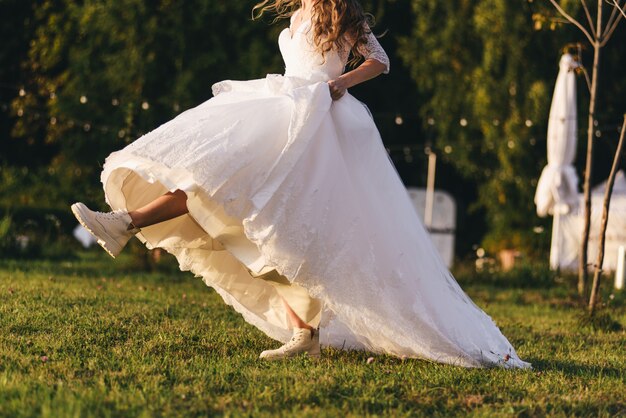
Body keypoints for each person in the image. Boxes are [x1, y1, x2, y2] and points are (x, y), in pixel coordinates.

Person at [72, 0, 530, 368]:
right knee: (212, 185)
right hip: (278, 112)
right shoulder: (295, 13)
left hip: (317, 123)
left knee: (271, 224)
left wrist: (337, 85)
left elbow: (380, 61)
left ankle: (126, 225)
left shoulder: (342, 12)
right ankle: (126, 223)